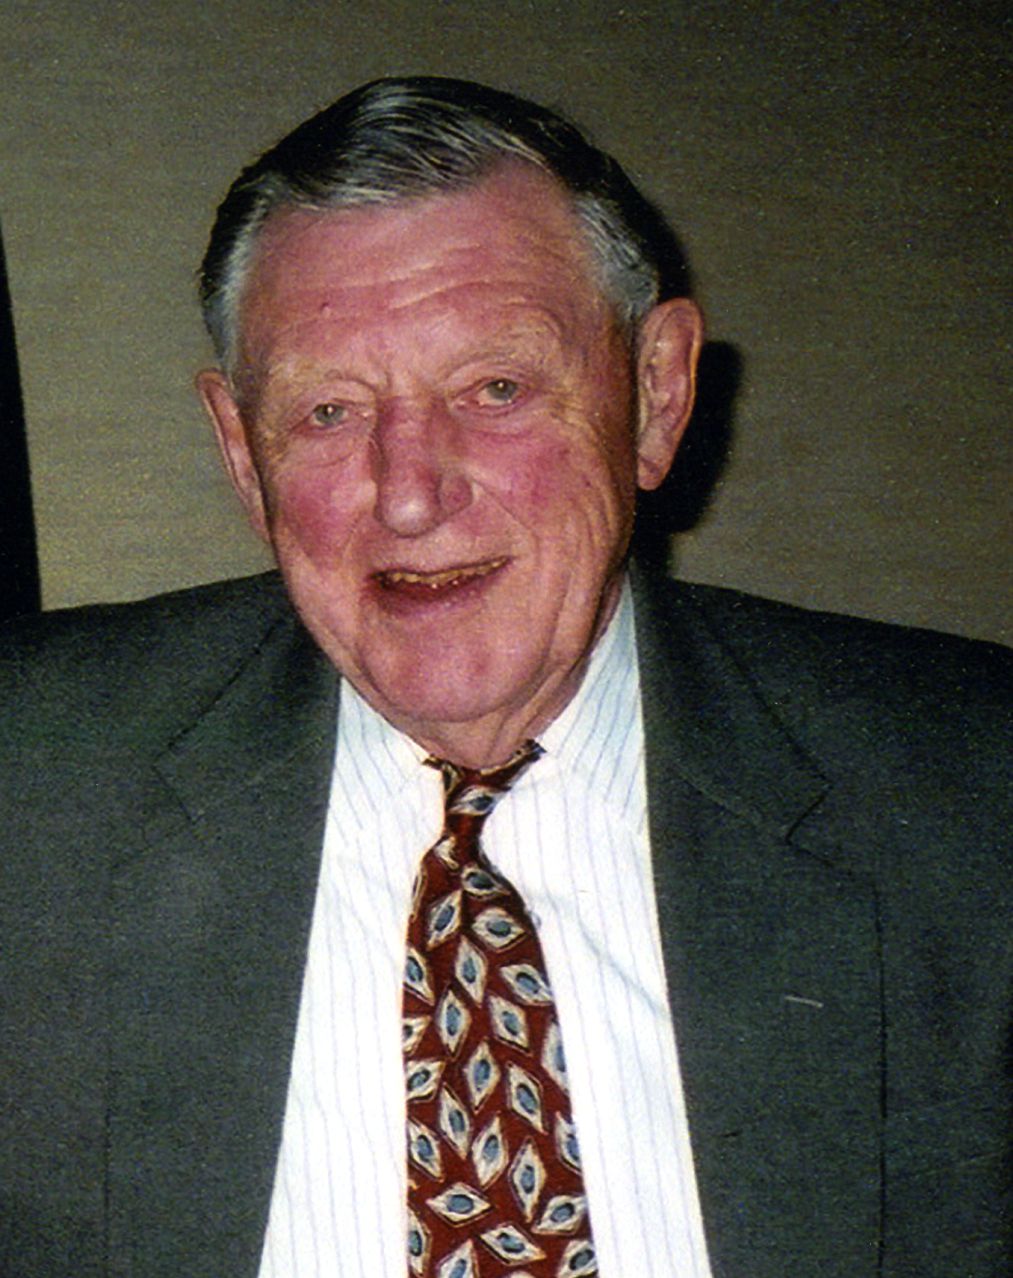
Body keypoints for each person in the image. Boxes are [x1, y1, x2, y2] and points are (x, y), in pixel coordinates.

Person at [1, 76, 1009, 1278]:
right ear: (239, 449)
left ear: (655, 392)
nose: (411, 491)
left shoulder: (969, 794)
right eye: (327, 411)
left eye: (495, 391)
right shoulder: (32, 786)